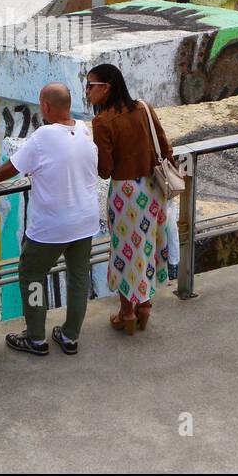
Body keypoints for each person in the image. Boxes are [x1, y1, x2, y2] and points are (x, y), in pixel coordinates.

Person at [0, 83, 99, 357]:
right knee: (79, 277)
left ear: (45, 107)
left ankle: (36, 337)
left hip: (52, 226)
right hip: (85, 220)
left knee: (32, 275)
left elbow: (12, 168)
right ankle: (70, 336)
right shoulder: (83, 129)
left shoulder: (44, 136)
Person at [85, 63, 173, 334]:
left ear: (106, 88)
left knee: (125, 251)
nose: (87, 92)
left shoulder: (102, 122)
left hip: (126, 194)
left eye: (91, 86)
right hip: (151, 189)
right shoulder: (143, 108)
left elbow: (105, 170)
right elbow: (166, 147)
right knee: (146, 247)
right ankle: (145, 305)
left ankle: (127, 312)